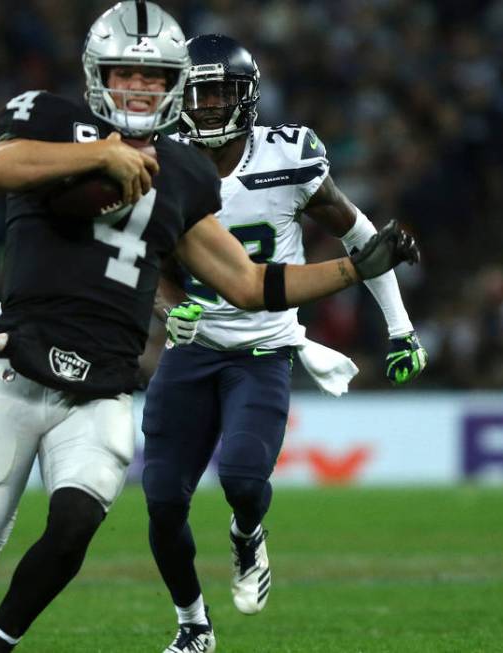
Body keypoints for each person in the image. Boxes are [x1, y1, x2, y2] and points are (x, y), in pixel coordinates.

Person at [0, 3, 419, 652]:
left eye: (154, 77)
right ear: (98, 74)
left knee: (75, 522)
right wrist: (104, 153)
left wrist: (351, 271)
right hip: (22, 357)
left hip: (105, 382)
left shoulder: (185, 171)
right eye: (125, 72)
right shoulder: (52, 117)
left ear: (174, 83)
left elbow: (246, 282)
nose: (138, 87)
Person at [143, 35, 428, 653]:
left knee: (244, 480)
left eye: (221, 92)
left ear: (247, 96)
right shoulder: (162, 162)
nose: (210, 105)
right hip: (192, 351)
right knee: (163, 500)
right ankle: (193, 625)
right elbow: (149, 256)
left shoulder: (288, 156)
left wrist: (400, 327)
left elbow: (363, 238)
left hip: (263, 352)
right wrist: (172, 306)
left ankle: (248, 534)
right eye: (200, 92)